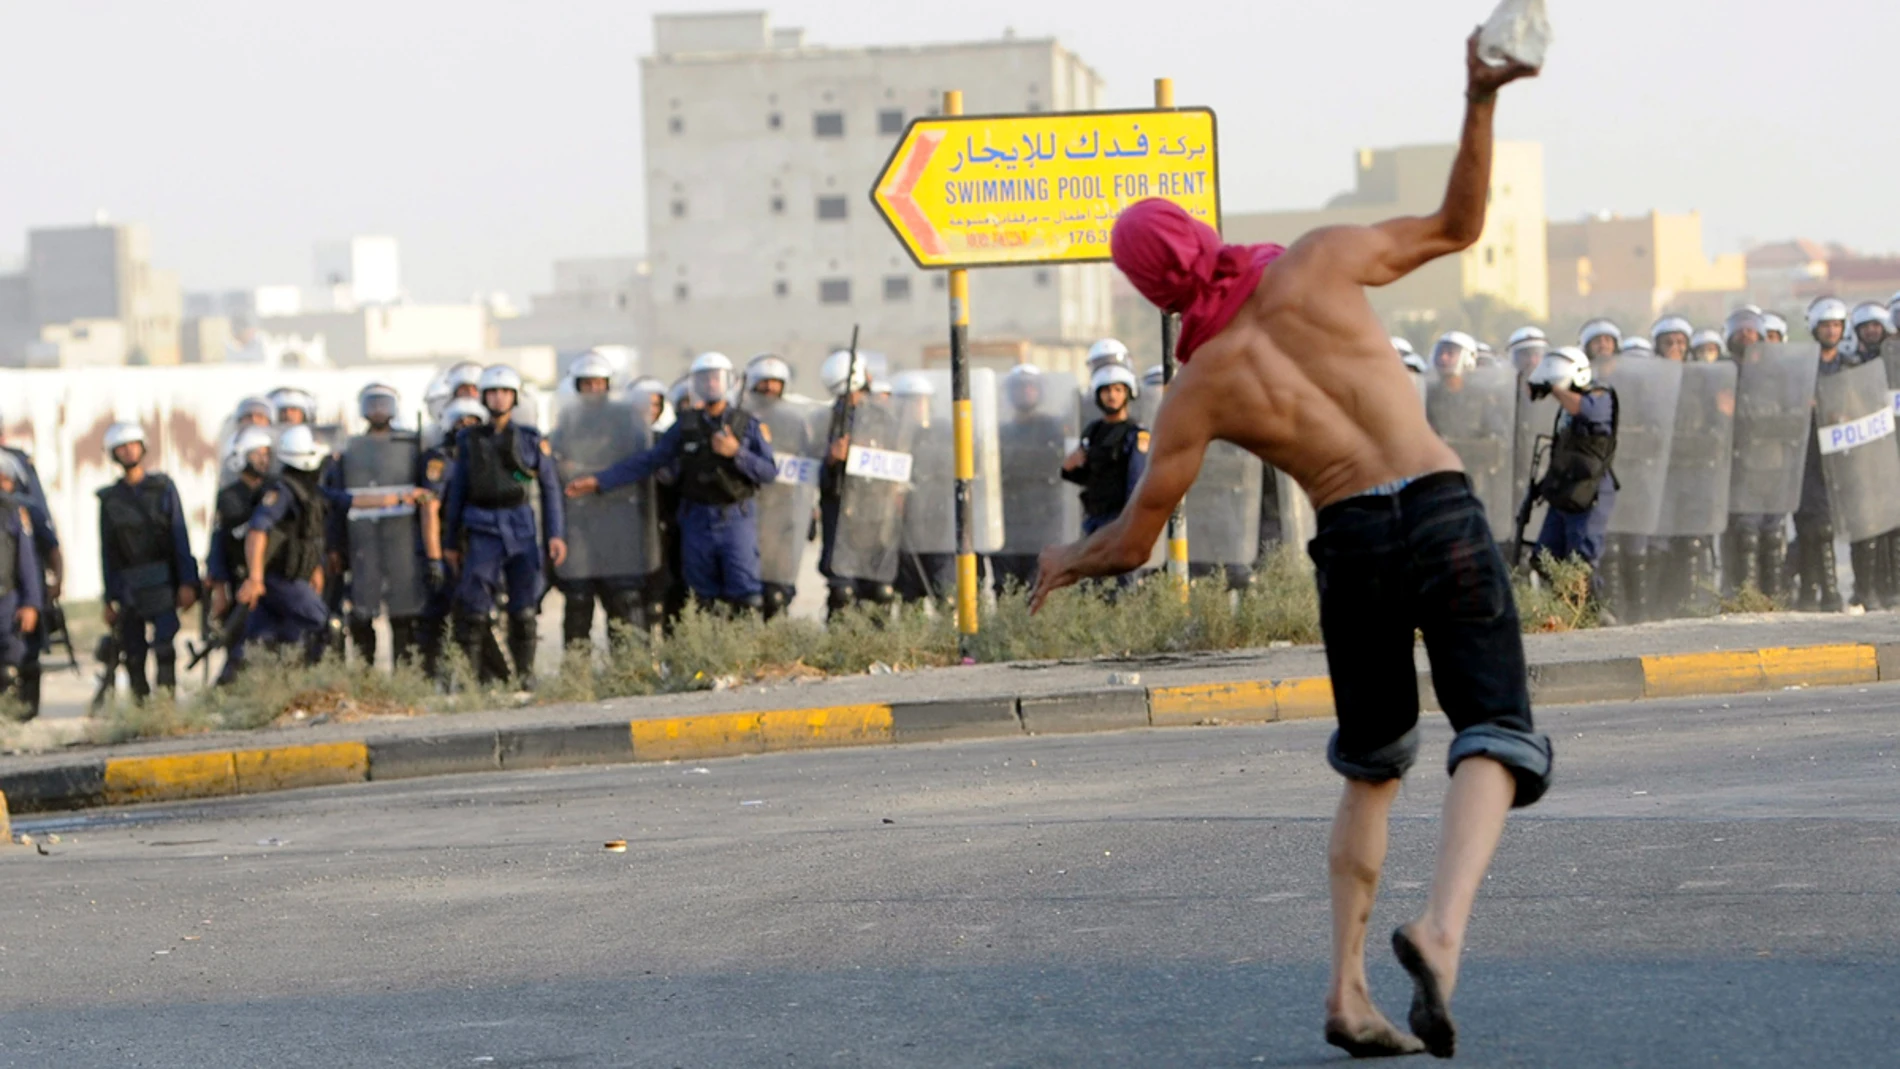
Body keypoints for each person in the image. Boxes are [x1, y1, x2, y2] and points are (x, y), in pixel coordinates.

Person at [1033, 34, 1546, 1058]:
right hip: (1437, 506)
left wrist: (1065, 561)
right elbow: (1458, 225)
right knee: (1493, 725)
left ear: (1153, 292)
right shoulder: (1320, 260)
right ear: (1199, 232)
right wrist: (1480, 97)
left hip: (1350, 538)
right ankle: (1441, 932)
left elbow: (1133, 540)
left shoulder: (1202, 384)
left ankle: (1347, 990)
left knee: (1372, 763)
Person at [567, 352, 775, 616]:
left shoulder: (747, 425)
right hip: (697, 519)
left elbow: (768, 472)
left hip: (736, 517)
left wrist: (736, 452)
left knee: (746, 597)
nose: (711, 383)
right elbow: (649, 460)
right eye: (705, 378)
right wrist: (599, 481)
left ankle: (746, 645)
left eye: (716, 378)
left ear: (728, 381)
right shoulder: (685, 425)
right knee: (701, 599)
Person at [443, 365, 567, 687]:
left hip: (520, 525)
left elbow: (550, 489)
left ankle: (525, 677)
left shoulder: (529, 440)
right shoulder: (468, 440)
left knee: (524, 607)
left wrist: (555, 534)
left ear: (515, 397)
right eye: (493, 392)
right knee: (474, 608)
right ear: (483, 397)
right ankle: (472, 682)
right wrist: (450, 543)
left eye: (505, 392)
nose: (499, 398)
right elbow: (457, 492)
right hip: (482, 526)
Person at [550, 351, 653, 647]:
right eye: (587, 383)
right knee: (578, 598)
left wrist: (591, 477)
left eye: (599, 383)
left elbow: (636, 463)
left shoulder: (625, 419)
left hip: (618, 517)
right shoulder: (568, 420)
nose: (593, 389)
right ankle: (577, 669)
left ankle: (631, 667)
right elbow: (555, 463)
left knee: (624, 599)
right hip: (580, 520)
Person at [323, 384, 429, 668]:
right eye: (373, 404)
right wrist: (335, 545)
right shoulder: (350, 449)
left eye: (384, 403)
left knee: (404, 609)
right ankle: (365, 673)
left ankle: (405, 674)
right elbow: (337, 501)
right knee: (361, 610)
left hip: (402, 539)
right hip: (362, 540)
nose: (378, 410)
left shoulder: (410, 445)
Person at [97, 422, 201, 702]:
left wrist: (188, 582)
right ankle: (141, 708)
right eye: (121, 447)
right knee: (133, 653)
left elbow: (179, 536)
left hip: (163, 581)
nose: (128, 451)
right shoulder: (110, 500)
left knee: (165, 647)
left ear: (143, 447)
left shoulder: (163, 488)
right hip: (129, 586)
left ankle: (165, 705)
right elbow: (108, 551)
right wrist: (109, 598)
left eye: (133, 445)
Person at [1526, 347, 1618, 604]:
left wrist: (1554, 389)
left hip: (1589, 493)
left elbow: (1586, 410)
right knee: (1545, 558)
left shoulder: (1600, 395)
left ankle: (1590, 615)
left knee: (1581, 562)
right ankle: (1558, 611)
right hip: (1564, 491)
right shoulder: (1567, 406)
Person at [816, 349, 901, 617]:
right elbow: (813, 475)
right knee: (843, 593)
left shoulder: (884, 418)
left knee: (879, 592)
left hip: (877, 513)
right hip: (841, 513)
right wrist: (831, 458)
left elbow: (900, 462)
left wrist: (869, 449)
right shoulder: (825, 421)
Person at [414, 397, 484, 681]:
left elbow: (522, 477)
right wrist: (434, 557)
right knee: (437, 613)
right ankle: (432, 677)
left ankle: (481, 677)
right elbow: (429, 508)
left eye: (472, 421)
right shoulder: (440, 459)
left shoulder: (485, 453)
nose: (466, 426)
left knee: (477, 614)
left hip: (478, 541)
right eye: (460, 421)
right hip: (445, 544)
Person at [1794, 297, 1850, 611]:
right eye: (1826, 325)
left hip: (1841, 452)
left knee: (1825, 525)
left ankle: (1830, 593)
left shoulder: (1851, 365)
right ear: (1815, 328)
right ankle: (1810, 593)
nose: (1831, 331)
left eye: (1836, 325)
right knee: (1807, 523)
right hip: (1807, 451)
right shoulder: (1801, 366)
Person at [993, 364, 1070, 593]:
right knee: (1006, 590)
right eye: (1019, 387)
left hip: (1045, 523)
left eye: (1030, 387)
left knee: (1040, 588)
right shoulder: (1001, 432)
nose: (1025, 391)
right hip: (1009, 525)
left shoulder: (1054, 429)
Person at [1, 431, 60, 720]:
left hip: (14, 597)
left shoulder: (20, 510)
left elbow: (37, 555)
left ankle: (22, 718)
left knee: (21, 660)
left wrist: (35, 601)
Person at [1062, 364, 1149, 540]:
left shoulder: (1135, 434)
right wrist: (1068, 469)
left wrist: (1131, 522)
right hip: (1093, 518)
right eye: (1106, 390)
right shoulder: (1093, 431)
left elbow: (1137, 480)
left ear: (1128, 393)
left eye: (1118, 390)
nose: (1112, 396)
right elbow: (1089, 476)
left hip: (1119, 519)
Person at [1847, 302, 1896, 609]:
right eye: (1865, 327)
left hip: (1894, 451)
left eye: (1876, 325)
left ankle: (1893, 587)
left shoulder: (1895, 361)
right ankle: (1866, 588)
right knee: (1866, 524)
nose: (1871, 331)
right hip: (1864, 455)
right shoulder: (1850, 364)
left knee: (1894, 524)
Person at [0, 452, 45, 712]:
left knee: (10, 668)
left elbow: (27, 563)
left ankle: (13, 718)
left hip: (7, 600)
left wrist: (31, 603)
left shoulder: (14, 512)